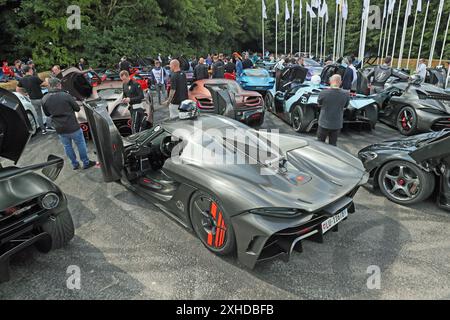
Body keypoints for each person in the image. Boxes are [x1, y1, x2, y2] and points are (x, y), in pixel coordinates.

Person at [42, 78, 96, 170]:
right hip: (72, 125)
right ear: (58, 85)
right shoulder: (65, 95)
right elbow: (77, 109)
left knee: (67, 146)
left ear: (50, 86)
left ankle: (75, 164)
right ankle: (86, 162)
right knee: (80, 143)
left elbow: (47, 114)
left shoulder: (45, 98)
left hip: (59, 128)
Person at [317, 75, 350, 146]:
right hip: (337, 123)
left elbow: (319, 104)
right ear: (340, 82)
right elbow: (345, 106)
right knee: (333, 145)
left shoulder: (323, 93)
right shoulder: (346, 94)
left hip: (324, 122)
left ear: (330, 81)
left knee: (319, 144)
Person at [16, 65, 50, 134]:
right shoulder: (34, 78)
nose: (32, 71)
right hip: (41, 98)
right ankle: (49, 126)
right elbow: (46, 84)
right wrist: (47, 80)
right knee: (49, 112)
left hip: (33, 100)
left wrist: (25, 94)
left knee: (39, 115)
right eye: (31, 70)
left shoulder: (22, 80)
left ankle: (43, 130)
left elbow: (17, 89)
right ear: (29, 70)